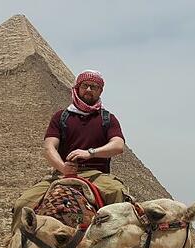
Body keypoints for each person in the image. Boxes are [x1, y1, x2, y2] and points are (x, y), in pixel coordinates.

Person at [11, 70, 128, 231]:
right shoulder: (61, 117)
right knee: (22, 204)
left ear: (100, 91)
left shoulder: (107, 119)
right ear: (77, 88)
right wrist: (62, 167)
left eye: (94, 87)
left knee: (117, 194)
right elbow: (49, 147)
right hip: (62, 173)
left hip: (96, 174)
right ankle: (16, 247)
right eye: (85, 85)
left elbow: (118, 146)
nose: (88, 90)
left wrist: (90, 153)